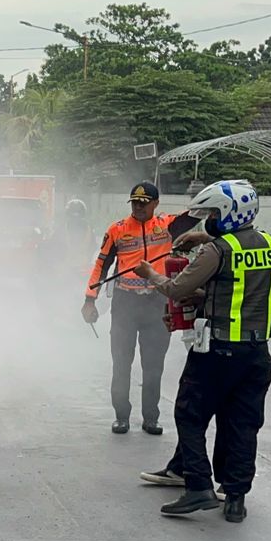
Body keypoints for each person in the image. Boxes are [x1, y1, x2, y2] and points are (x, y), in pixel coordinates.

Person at [132, 179, 271, 524]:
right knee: (242, 424)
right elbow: (238, 280)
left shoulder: (217, 251)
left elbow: (175, 286)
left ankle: (198, 486)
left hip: (216, 350)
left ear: (228, 214)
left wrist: (149, 272)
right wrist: (206, 239)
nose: (209, 220)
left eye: (213, 213)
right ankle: (235, 497)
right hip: (257, 353)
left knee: (190, 415)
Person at [83, 182, 175, 435]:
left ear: (156, 204)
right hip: (125, 304)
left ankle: (151, 418)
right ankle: (121, 416)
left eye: (144, 203)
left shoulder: (168, 225)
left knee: (153, 366)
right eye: (134, 202)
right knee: (121, 363)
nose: (138, 207)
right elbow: (101, 266)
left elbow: (198, 215)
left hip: (157, 304)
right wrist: (90, 299)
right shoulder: (117, 230)